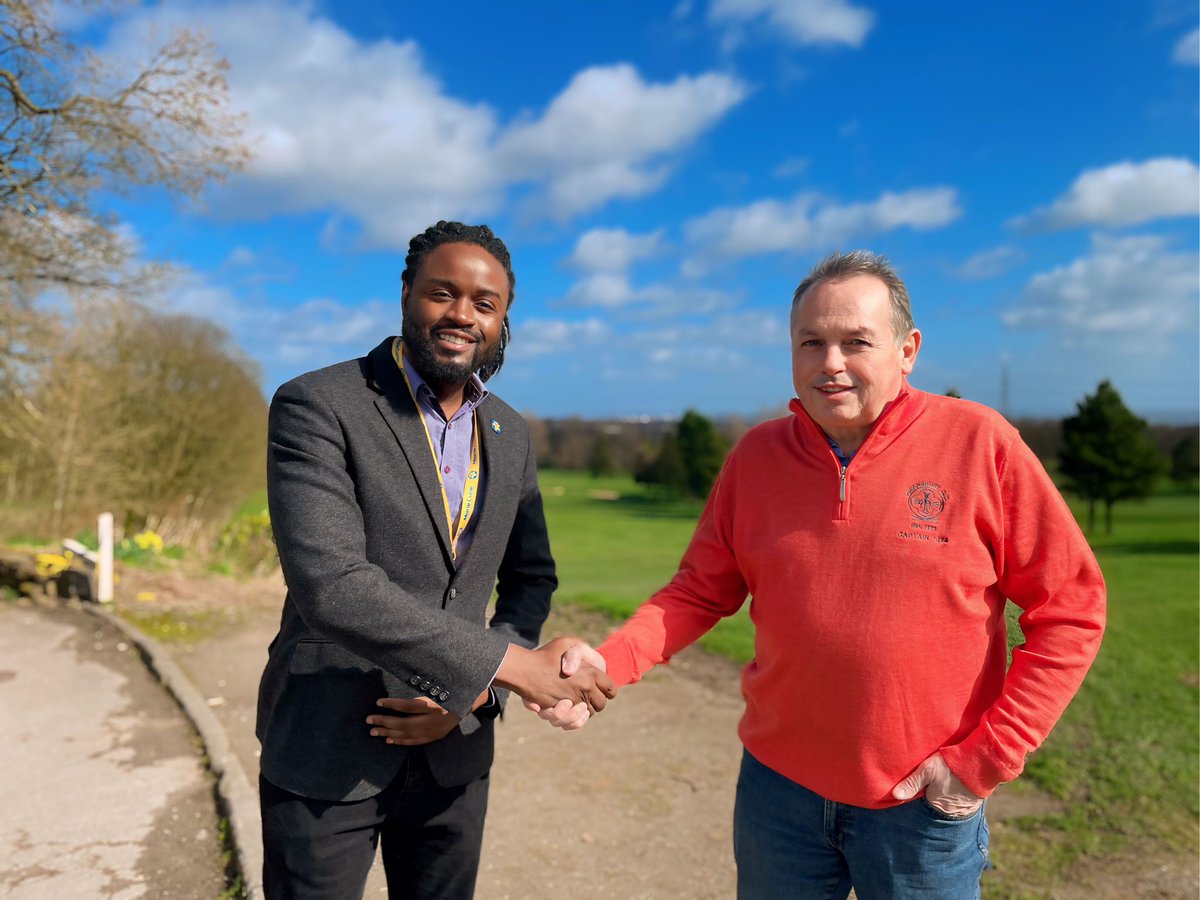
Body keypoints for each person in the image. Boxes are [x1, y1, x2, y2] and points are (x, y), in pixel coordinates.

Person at [536, 250, 1106, 899]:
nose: (830, 362)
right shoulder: (756, 458)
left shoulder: (981, 443)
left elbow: (1072, 609)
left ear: (906, 349)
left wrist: (986, 758)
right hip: (778, 795)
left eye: (855, 341)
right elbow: (697, 591)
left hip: (921, 802)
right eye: (811, 342)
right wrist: (605, 666)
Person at [257, 220, 615, 900]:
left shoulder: (510, 433)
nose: (461, 315)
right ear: (405, 293)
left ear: (503, 319)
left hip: (457, 753)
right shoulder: (316, 405)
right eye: (442, 293)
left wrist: (473, 691)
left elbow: (530, 578)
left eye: (485, 304)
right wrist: (513, 669)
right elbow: (332, 586)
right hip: (329, 742)